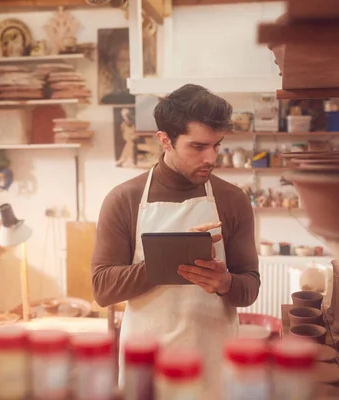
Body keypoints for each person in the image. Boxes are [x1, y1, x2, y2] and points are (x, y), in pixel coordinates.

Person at [91, 84, 260, 396]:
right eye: (197, 147)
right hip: (147, 360)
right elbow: (102, 288)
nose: (210, 157)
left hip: (212, 359)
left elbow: (249, 287)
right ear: (164, 140)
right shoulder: (124, 199)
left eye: (217, 145)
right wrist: (168, 256)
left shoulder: (232, 200)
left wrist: (224, 283)